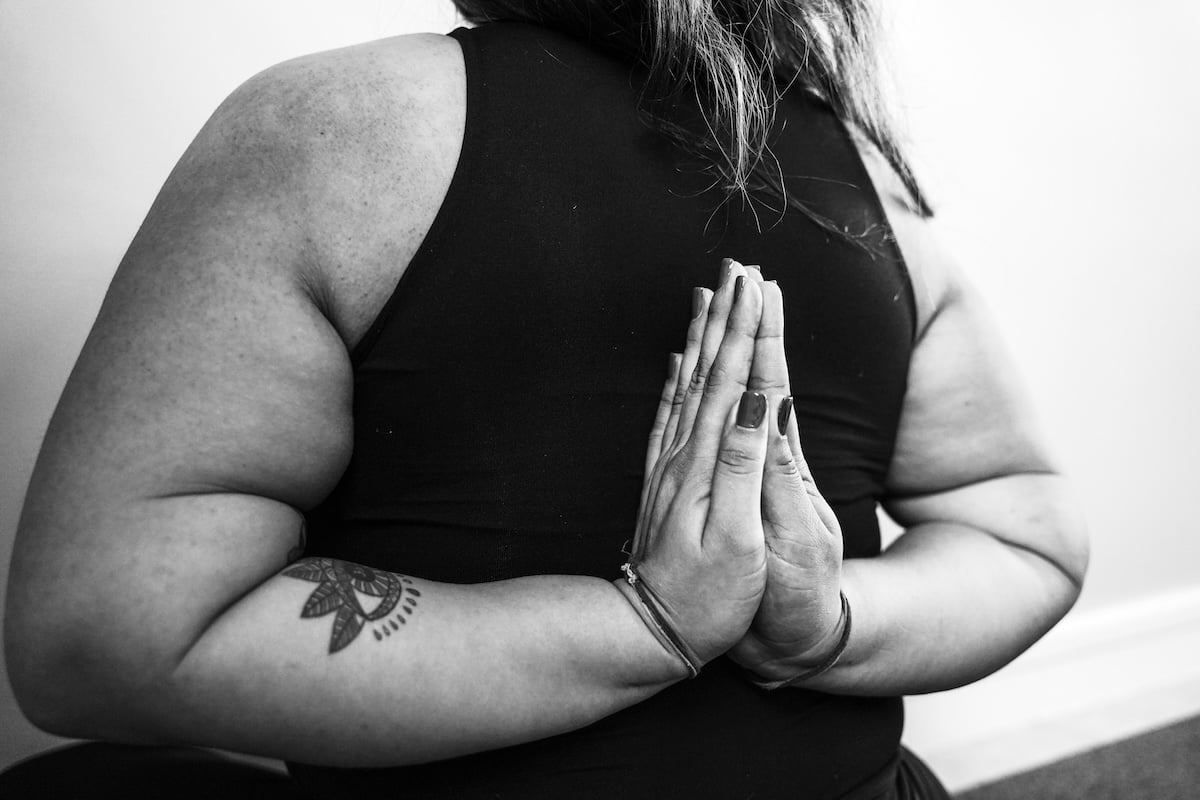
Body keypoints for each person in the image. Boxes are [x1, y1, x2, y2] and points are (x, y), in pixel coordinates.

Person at [5, 2, 1089, 798]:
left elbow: (104, 638)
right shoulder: (876, 187)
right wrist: (803, 628)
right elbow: (1026, 530)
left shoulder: (325, 128)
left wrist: (691, 624)